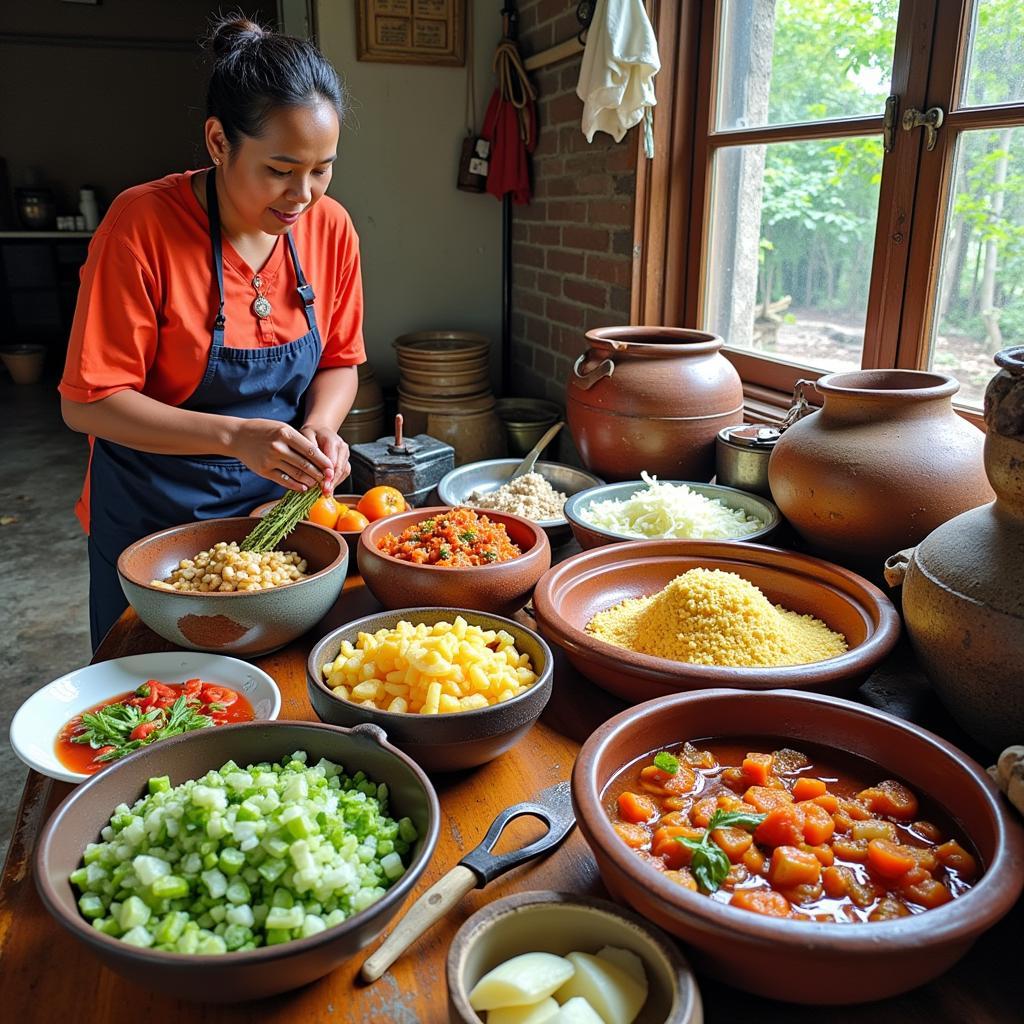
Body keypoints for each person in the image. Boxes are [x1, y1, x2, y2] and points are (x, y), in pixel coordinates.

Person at [59, 17, 365, 650]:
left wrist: (322, 428)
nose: (302, 196)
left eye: (321, 171)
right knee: (151, 701)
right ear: (220, 142)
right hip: (153, 523)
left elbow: (341, 360)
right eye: (280, 169)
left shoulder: (330, 228)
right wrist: (234, 435)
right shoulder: (141, 226)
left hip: (271, 521)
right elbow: (87, 401)